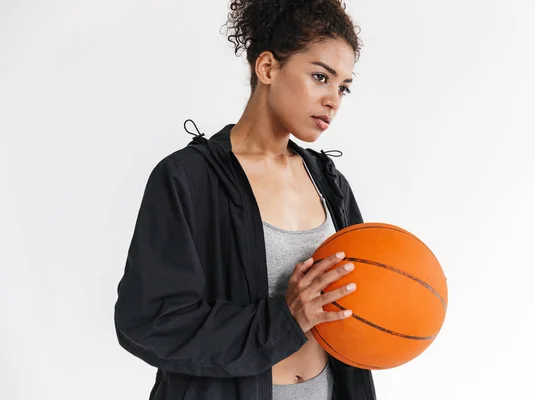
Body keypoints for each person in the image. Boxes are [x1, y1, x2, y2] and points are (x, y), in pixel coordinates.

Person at [114, 0, 376, 399]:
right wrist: (285, 319)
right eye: (320, 77)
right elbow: (149, 322)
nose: (334, 100)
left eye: (343, 86)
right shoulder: (189, 179)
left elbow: (356, 295)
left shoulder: (329, 182)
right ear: (268, 67)